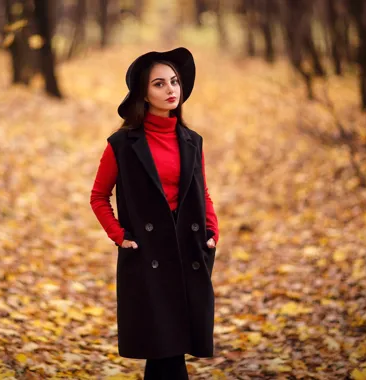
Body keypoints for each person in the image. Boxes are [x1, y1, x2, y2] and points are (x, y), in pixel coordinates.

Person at [90, 47, 219, 379]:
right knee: (167, 350)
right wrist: (120, 237)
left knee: (168, 351)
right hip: (148, 256)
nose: (171, 90)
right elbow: (98, 197)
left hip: (189, 252)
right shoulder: (122, 144)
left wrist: (212, 231)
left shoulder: (192, 141)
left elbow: (202, 191)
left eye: (174, 82)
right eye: (159, 84)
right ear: (143, 94)